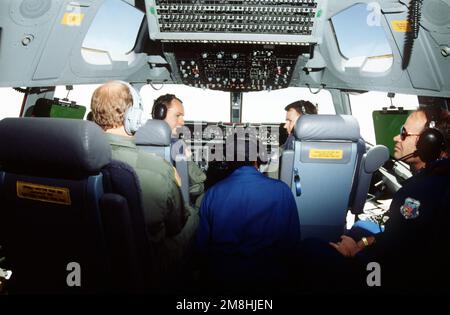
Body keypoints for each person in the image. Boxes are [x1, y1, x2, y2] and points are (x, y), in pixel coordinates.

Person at [90, 81, 199, 289]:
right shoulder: (159, 169)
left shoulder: (73, 159)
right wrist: (175, 180)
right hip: (145, 267)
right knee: (196, 217)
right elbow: (176, 225)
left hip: (97, 260)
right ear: (134, 116)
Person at [330, 106, 450, 291]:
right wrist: (363, 242)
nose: (396, 137)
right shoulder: (437, 177)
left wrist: (353, 251)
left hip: (401, 278)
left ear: (429, 142)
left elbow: (393, 255)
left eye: (404, 133)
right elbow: (402, 237)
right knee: (358, 230)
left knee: (313, 251)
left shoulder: (420, 191)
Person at [196, 136, 301, 291]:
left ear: (229, 161)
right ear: (258, 160)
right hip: (271, 279)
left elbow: (201, 246)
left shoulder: (212, 193)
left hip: (223, 279)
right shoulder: (282, 191)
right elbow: (293, 243)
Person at [151, 94, 206, 207]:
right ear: (160, 115)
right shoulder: (177, 146)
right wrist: (188, 161)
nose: (182, 122)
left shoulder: (138, 141)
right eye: (178, 115)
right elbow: (196, 189)